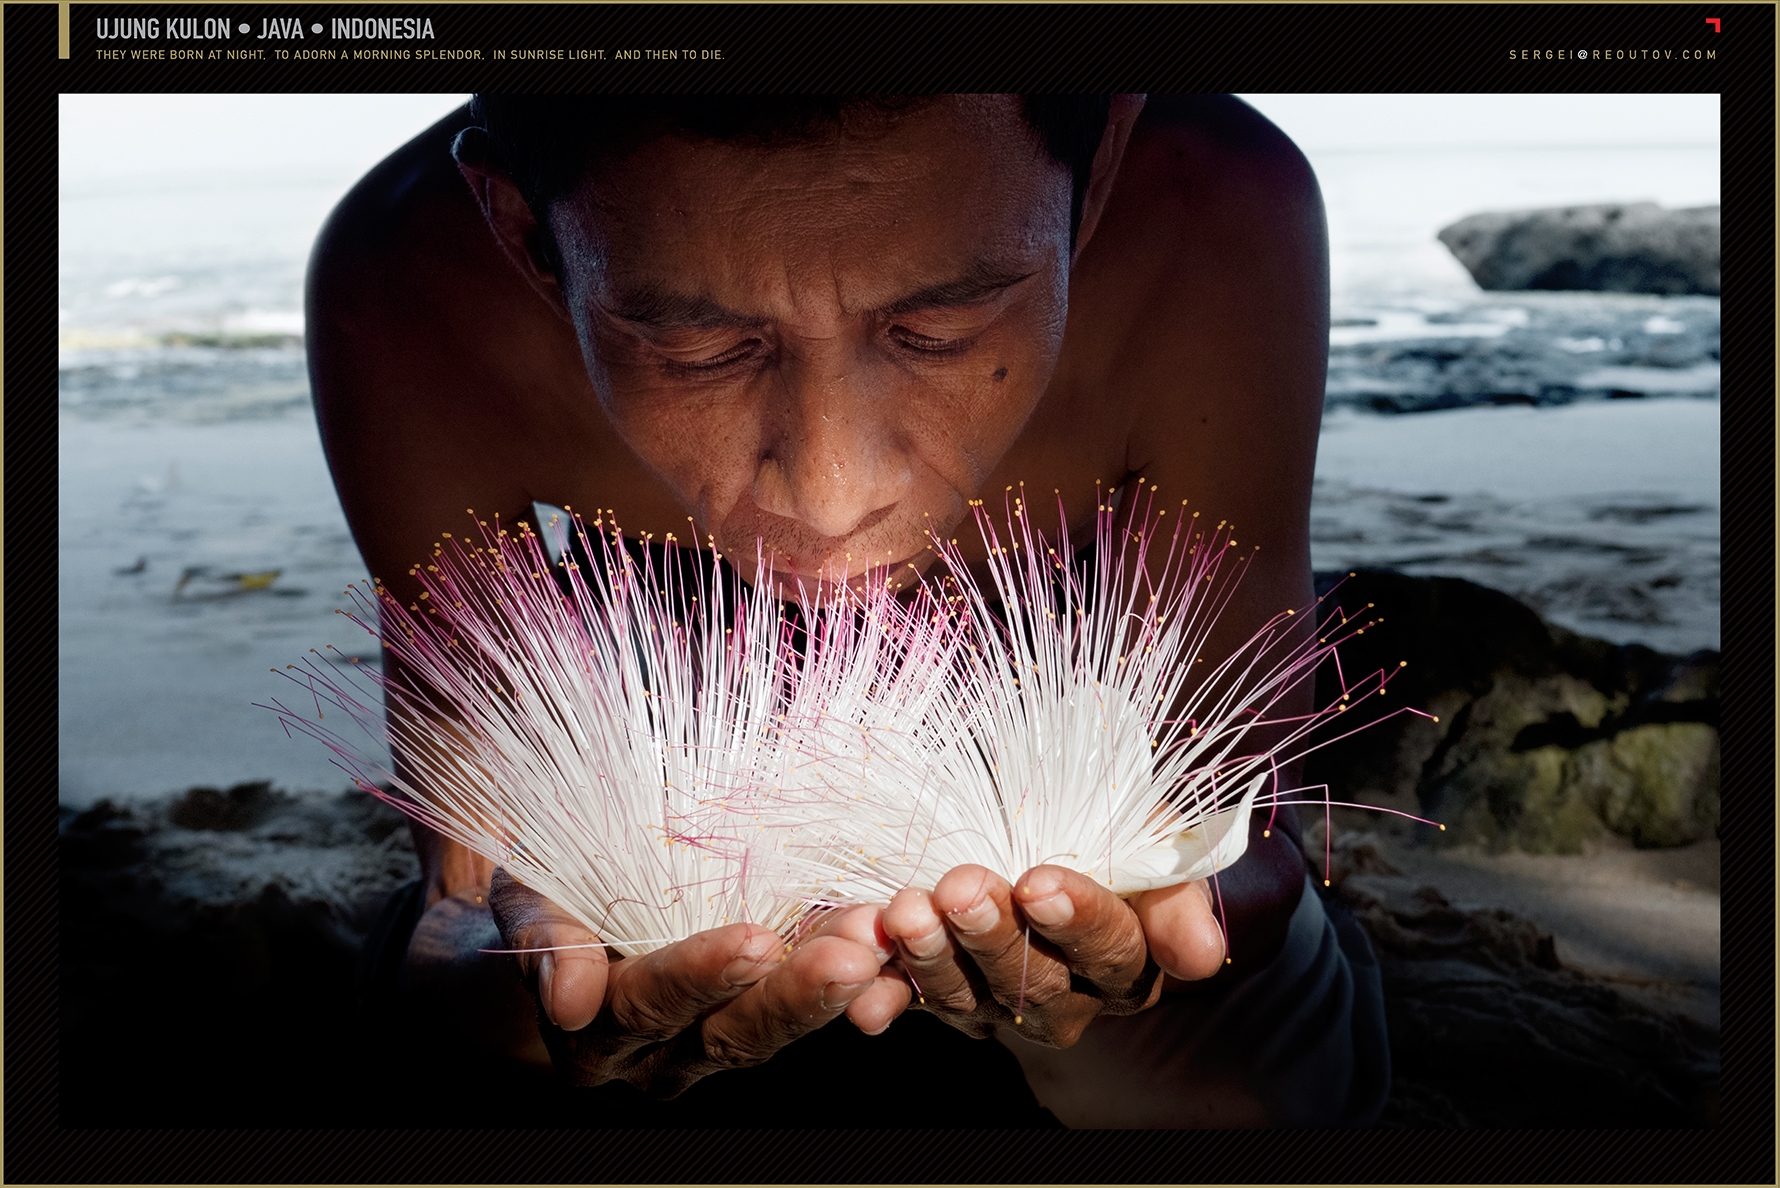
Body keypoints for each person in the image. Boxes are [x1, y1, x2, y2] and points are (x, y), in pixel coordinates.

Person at [309, 94, 1386, 1126]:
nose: (830, 496)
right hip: (667, 805)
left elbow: (1239, 812)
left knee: (1242, 1105)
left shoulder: (1213, 214)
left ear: (1095, 173)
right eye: (700, 350)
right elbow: (468, 891)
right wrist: (519, 991)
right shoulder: (411, 284)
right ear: (528, 239)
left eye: (938, 327)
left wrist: (1162, 932)